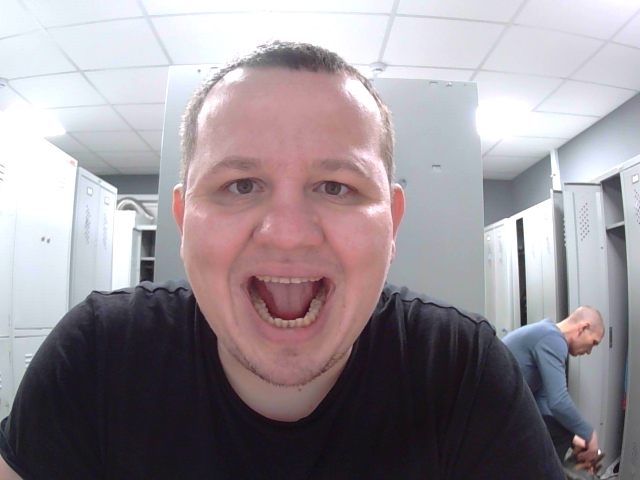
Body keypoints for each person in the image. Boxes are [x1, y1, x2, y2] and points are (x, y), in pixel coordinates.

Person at [0, 41, 565, 479]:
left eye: (336, 187)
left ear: (391, 222)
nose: (289, 235)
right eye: (240, 185)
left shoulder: (463, 369)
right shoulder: (97, 356)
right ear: (182, 218)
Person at [502, 306, 605, 465]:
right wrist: (590, 435)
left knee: (561, 430)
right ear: (583, 328)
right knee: (561, 432)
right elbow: (559, 401)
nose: (589, 351)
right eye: (593, 343)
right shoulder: (552, 339)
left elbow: (543, 401)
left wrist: (574, 436)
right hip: (493, 412)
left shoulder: (546, 334)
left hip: (498, 409)